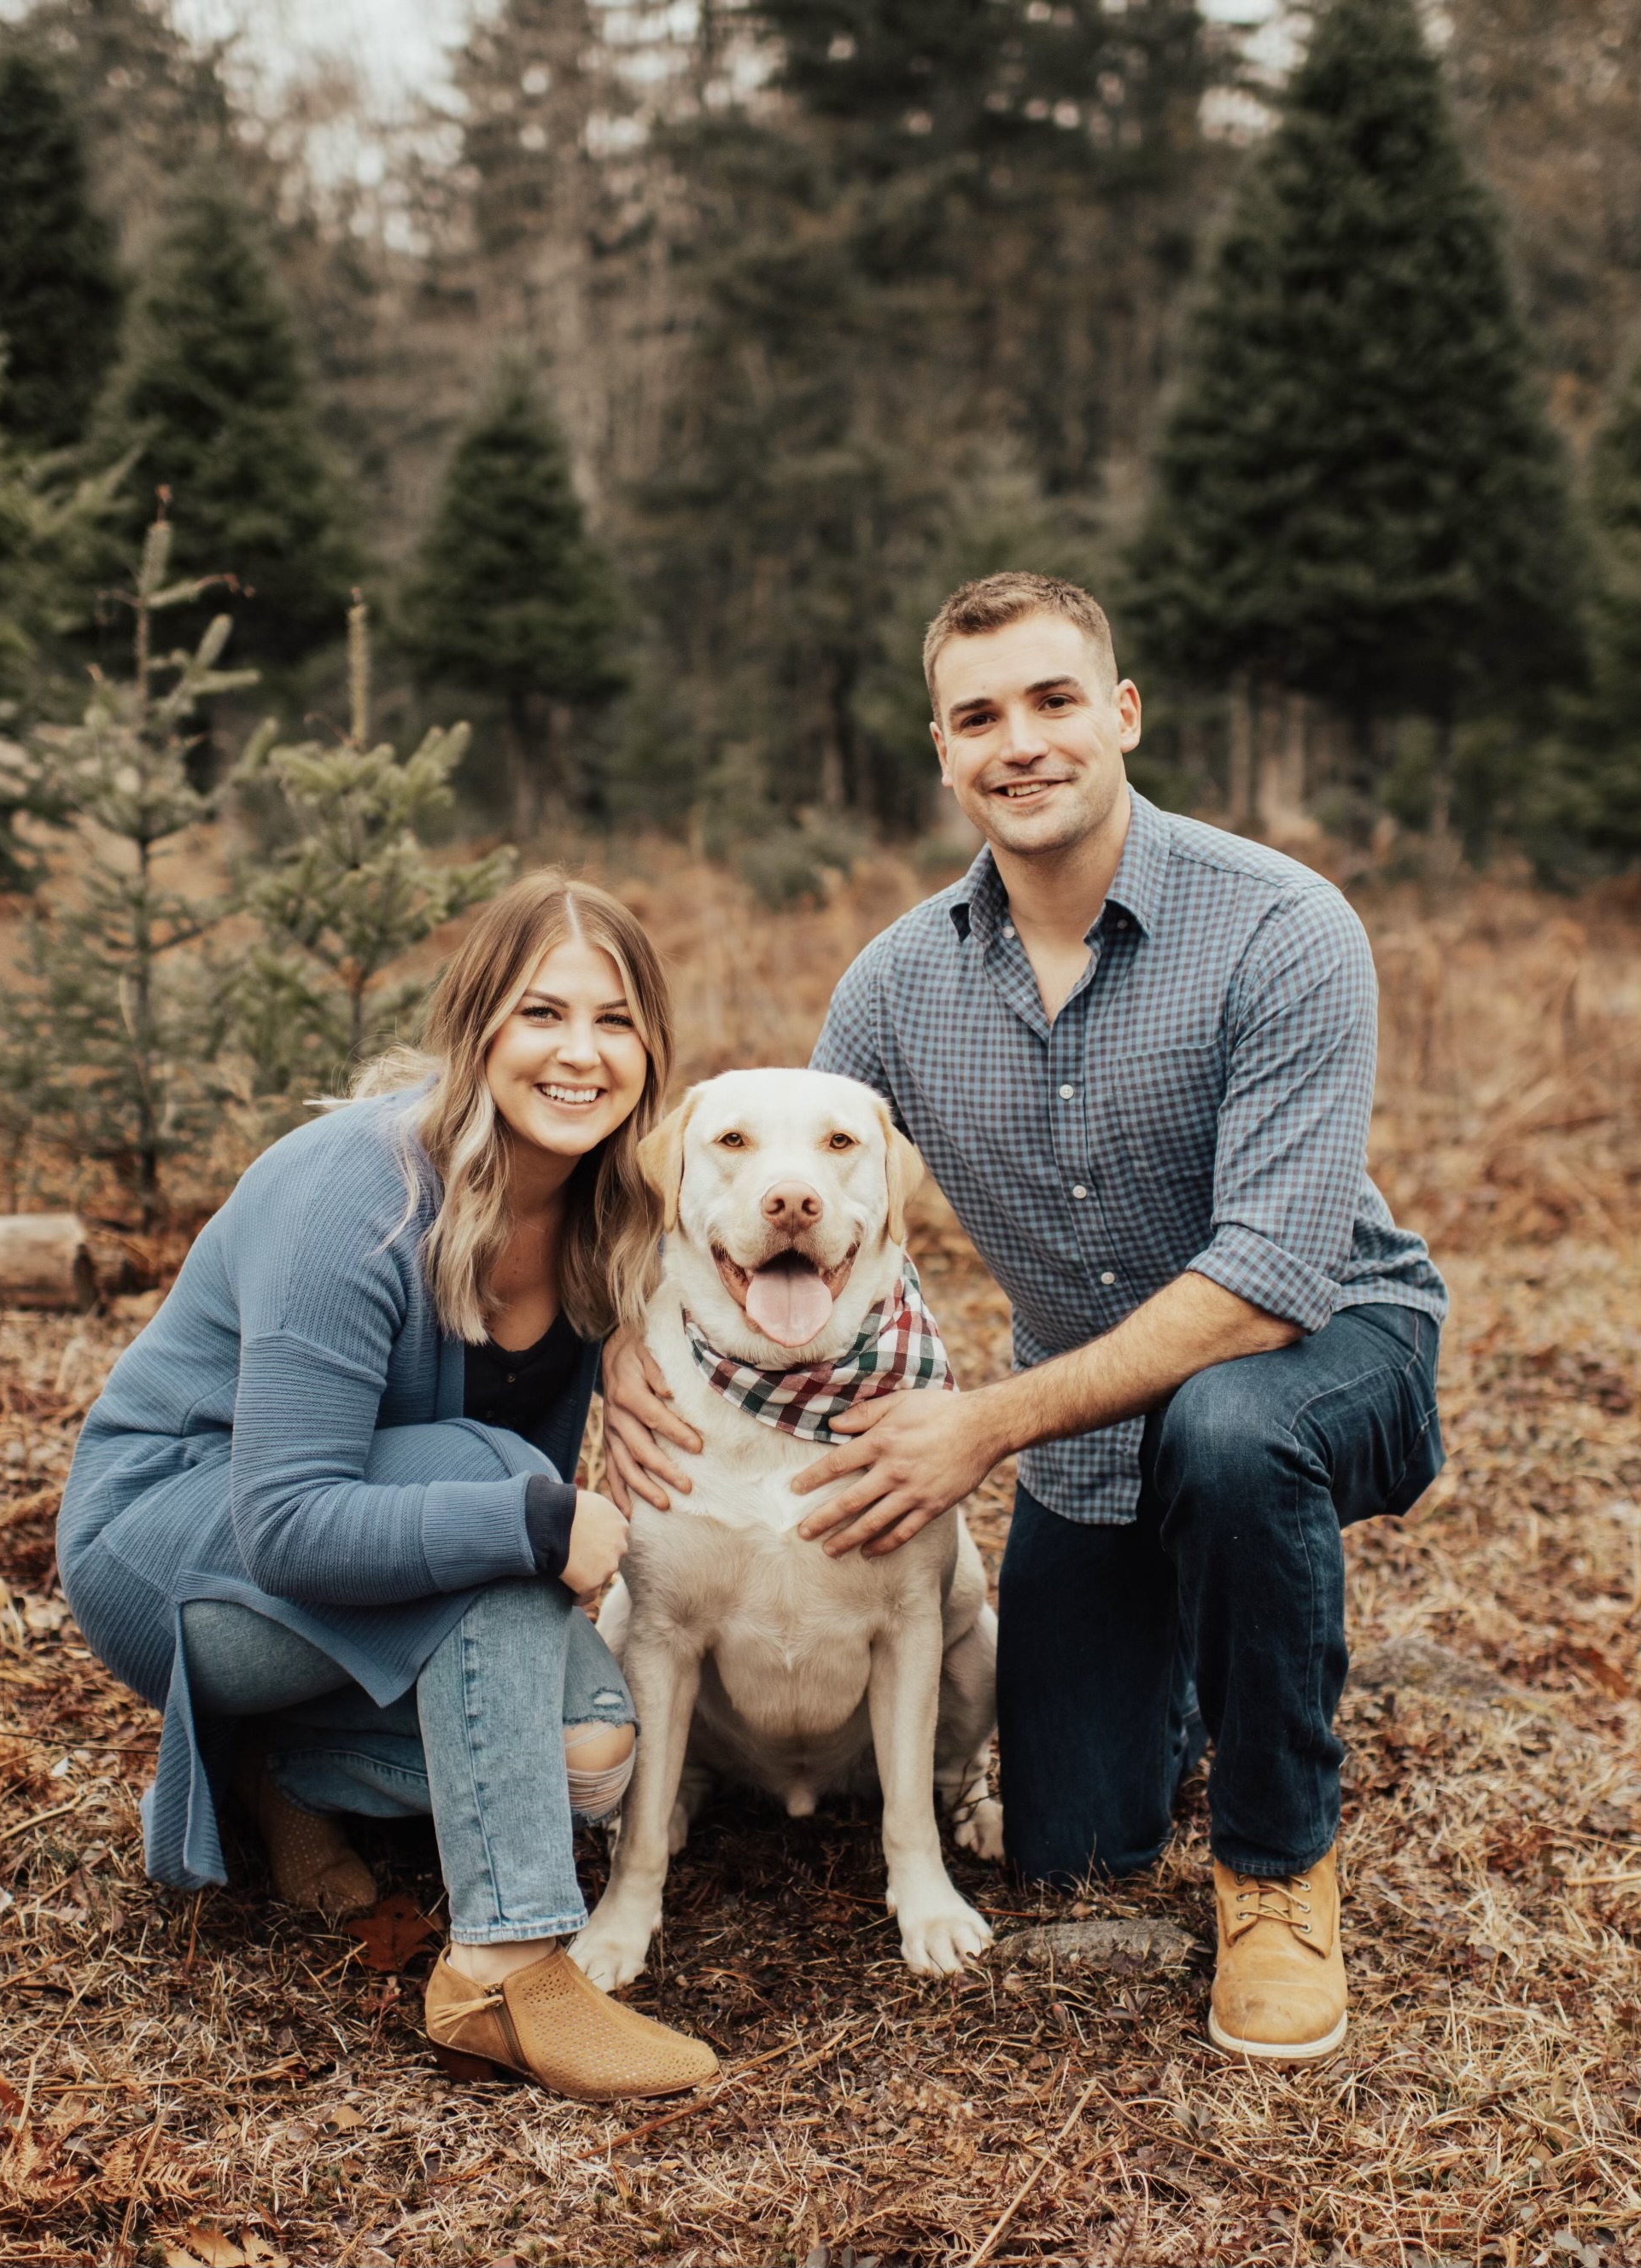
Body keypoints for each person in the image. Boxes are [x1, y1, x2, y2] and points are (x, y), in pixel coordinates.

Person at [604, 574, 1447, 2064]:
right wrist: (632, 1337)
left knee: (1234, 1436)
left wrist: (979, 1424)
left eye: (1056, 700)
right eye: (980, 715)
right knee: (1067, 1841)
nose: (1024, 741)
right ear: (944, 752)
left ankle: (1276, 1867)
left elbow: (1266, 1280)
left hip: (1325, 1353)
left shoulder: (1283, 926)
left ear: (1121, 714)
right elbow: (787, 1198)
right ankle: (1211, 1629)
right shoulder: (894, 985)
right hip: (1089, 1425)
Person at [58, 875, 717, 2103]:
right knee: (503, 1486)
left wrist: (637, 1326)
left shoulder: (602, 1207)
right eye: (542, 1013)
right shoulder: (354, 1197)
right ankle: (507, 1966)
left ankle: (281, 1772)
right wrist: (530, 1519)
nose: (581, 1052)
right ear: (475, 1029)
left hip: (378, 1543)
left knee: (590, 1755)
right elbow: (292, 1517)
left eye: (616, 1020)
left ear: (651, 1048)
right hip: (184, 1544)